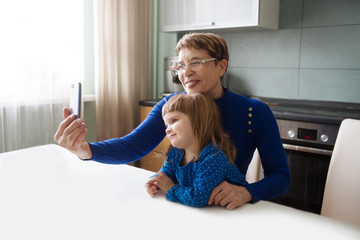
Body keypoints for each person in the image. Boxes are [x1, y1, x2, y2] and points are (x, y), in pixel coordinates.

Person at [54, 32, 290, 210]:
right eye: (180, 65)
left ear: (221, 66)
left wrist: (247, 192)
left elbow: (280, 177)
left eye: (195, 62)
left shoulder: (254, 112)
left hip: (226, 214)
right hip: (180, 208)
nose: (184, 73)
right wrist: (86, 150)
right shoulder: (173, 107)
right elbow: (133, 146)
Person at [145, 93, 248, 207]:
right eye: (166, 124)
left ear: (198, 121)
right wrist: (155, 181)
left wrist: (170, 188)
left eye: (174, 120)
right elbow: (166, 172)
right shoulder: (176, 152)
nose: (167, 130)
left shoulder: (213, 155)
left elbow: (198, 198)